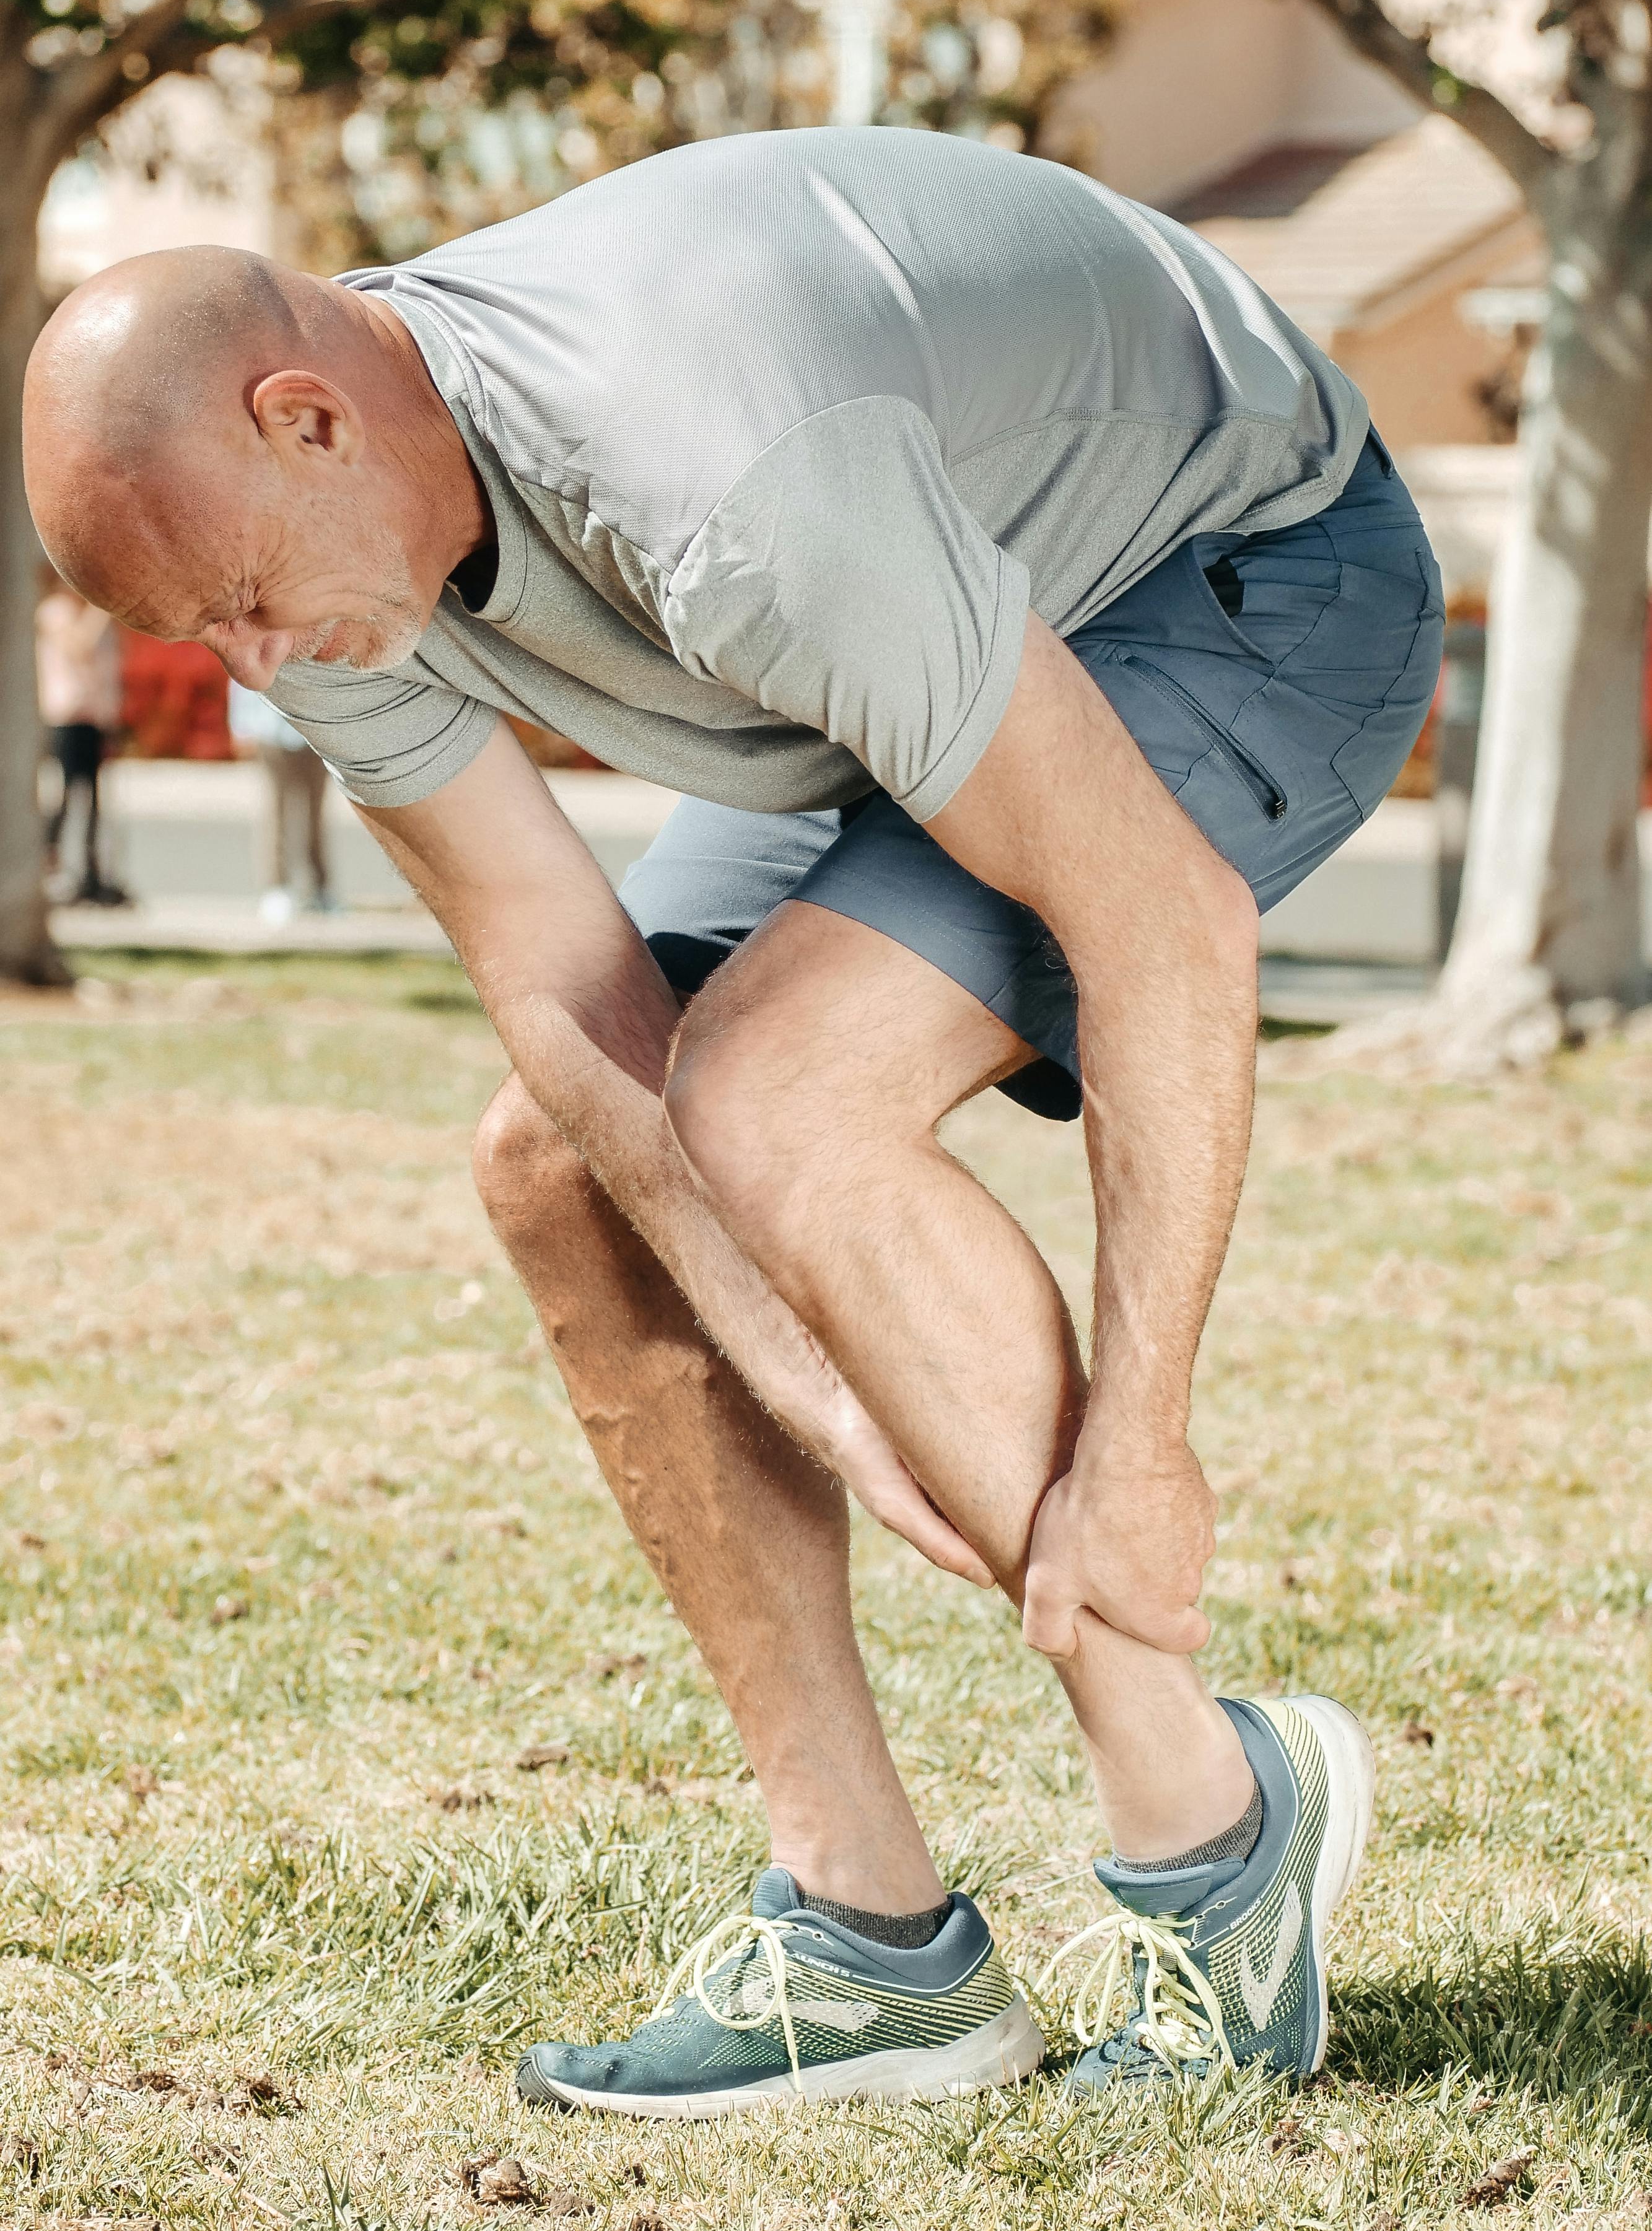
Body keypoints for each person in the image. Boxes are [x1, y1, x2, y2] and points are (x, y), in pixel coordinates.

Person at [20, 131, 1443, 2116]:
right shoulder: (319, 540)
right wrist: (813, 1382)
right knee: (559, 1167)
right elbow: (559, 980)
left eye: (245, 602)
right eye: (207, 638)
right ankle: (869, 1935)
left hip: (1237, 570)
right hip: (894, 627)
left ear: (307, 414)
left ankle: (1211, 1835)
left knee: (784, 1093)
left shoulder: (711, 466)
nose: (257, 670)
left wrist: (1143, 1446)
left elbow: (1165, 926)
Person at [35, 575, 131, 907]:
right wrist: (99, 610)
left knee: (93, 799)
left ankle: (93, 871)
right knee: (65, 795)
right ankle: (49, 864)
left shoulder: (94, 615)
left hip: (95, 718)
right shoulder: (56, 612)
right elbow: (79, 647)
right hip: (67, 717)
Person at [227, 676, 336, 920]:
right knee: (275, 814)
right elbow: (242, 677)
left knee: (315, 815)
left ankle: (319, 888)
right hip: (271, 732)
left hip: (315, 733)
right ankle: (276, 888)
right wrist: (241, 727)